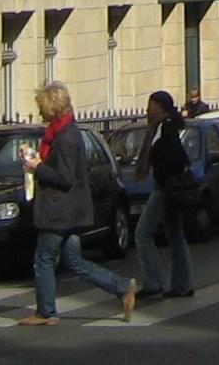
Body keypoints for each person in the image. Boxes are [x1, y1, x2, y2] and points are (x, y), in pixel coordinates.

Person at [20, 80, 136, 325]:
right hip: (68, 210)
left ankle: (46, 312)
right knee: (74, 260)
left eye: (43, 107)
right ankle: (122, 287)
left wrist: (37, 166)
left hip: (59, 210)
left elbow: (64, 177)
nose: (41, 113)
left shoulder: (66, 138)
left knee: (44, 258)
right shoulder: (64, 133)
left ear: (52, 108)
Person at [134, 90, 194, 301]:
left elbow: (173, 158)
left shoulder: (165, 128)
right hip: (171, 187)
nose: (146, 109)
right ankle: (183, 284)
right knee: (175, 234)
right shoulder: (163, 127)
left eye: (150, 105)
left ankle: (152, 283)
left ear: (159, 106)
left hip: (166, 188)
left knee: (143, 232)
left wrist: (163, 176)